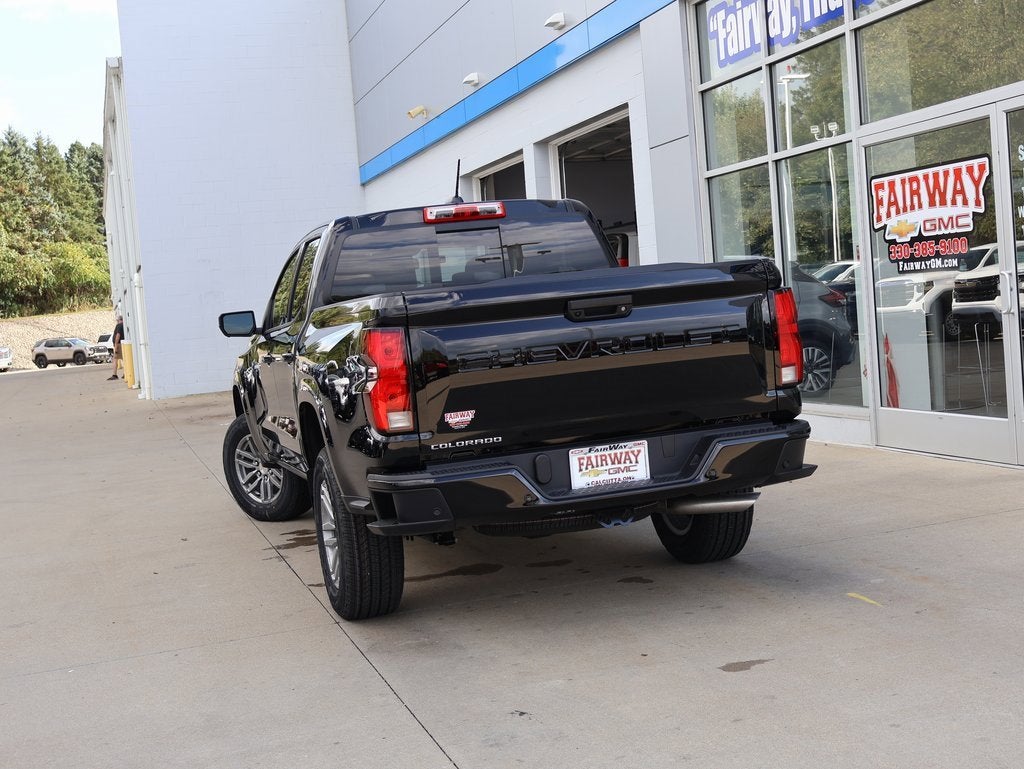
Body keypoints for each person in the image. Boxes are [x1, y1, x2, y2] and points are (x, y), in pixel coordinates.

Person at [108, 315, 125, 380]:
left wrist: (116, 345)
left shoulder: (119, 325)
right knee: (124, 359)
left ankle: (114, 375)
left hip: (118, 344)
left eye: (117, 320)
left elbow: (118, 335)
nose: (116, 322)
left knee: (115, 360)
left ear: (119, 320)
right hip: (122, 344)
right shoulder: (124, 325)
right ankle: (125, 373)